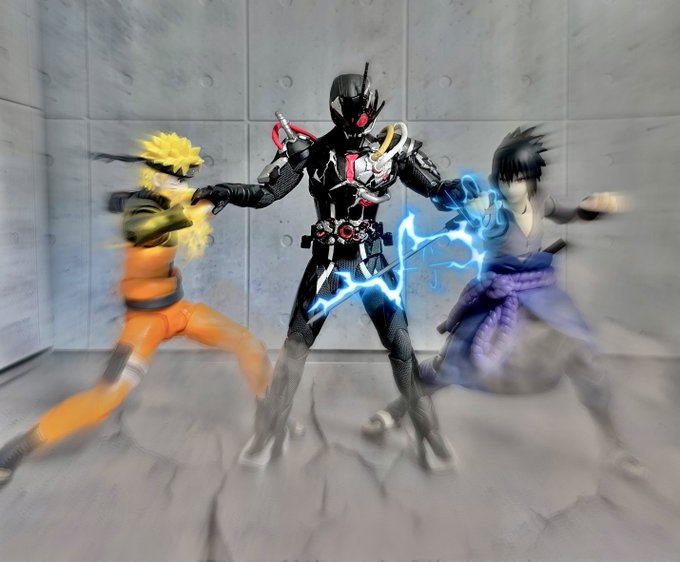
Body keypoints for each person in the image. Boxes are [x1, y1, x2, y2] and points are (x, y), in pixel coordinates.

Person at [0, 132, 272, 488]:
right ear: (155, 176)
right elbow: (142, 230)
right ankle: (13, 451)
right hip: (143, 323)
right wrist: (193, 210)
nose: (182, 185)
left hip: (178, 310)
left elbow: (245, 197)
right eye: (175, 178)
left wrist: (233, 193)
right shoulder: (140, 210)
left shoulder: (168, 200)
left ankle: (272, 418)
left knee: (248, 344)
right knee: (104, 398)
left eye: (185, 179)